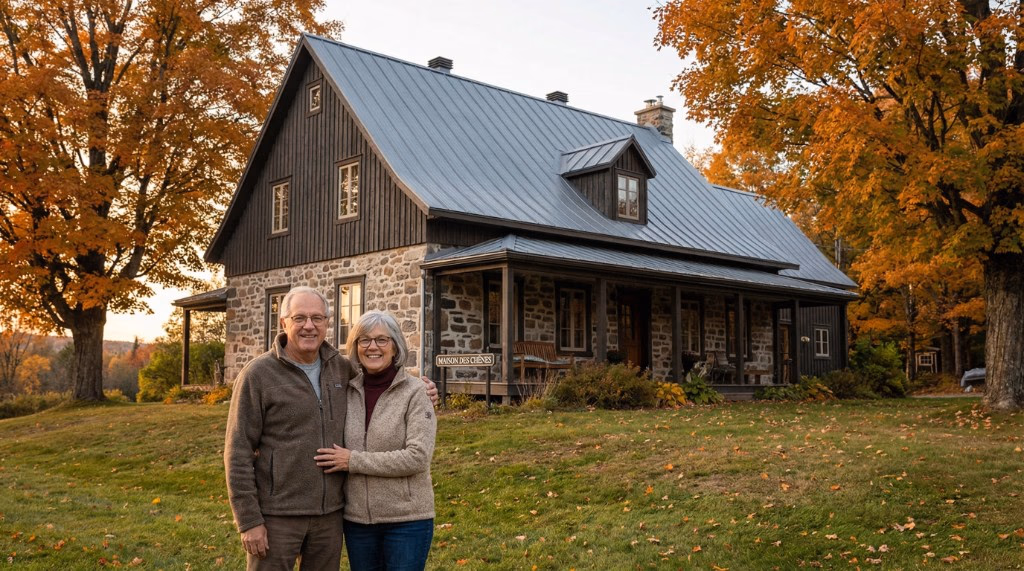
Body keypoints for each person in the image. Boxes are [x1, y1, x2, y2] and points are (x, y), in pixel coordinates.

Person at [224, 287, 436, 570]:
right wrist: (249, 521)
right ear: (283, 322)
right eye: (299, 318)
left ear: (327, 322)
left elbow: (385, 379)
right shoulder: (258, 375)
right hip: (278, 515)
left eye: (317, 318)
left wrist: (422, 389)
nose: (309, 326)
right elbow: (237, 451)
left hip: (331, 517)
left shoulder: (340, 368)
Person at [314, 310, 436, 571]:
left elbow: (417, 456)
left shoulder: (416, 392)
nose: (373, 347)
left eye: (382, 340)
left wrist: (353, 461)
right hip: (358, 522)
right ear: (356, 347)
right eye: (364, 340)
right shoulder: (347, 390)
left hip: (407, 520)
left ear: (395, 346)